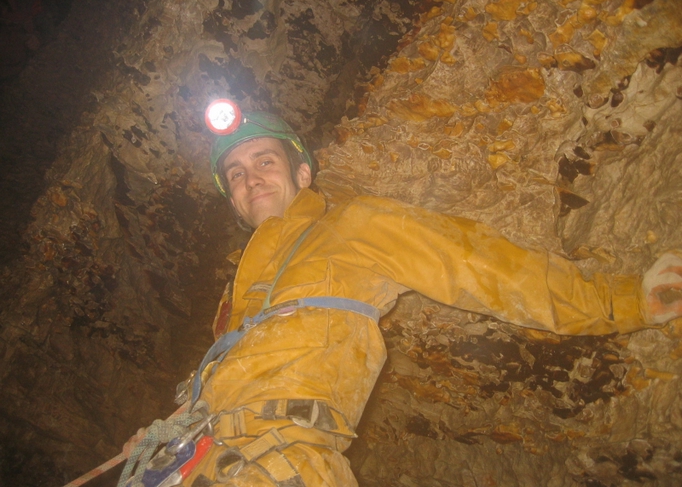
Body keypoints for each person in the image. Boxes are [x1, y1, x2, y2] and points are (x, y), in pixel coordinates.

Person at [173, 110, 682, 487]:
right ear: (233, 200)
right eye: (236, 174)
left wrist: (622, 302)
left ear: (302, 174)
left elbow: (482, 267)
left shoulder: (353, 224)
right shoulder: (236, 295)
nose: (251, 178)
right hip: (194, 466)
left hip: (284, 461)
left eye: (264, 160)